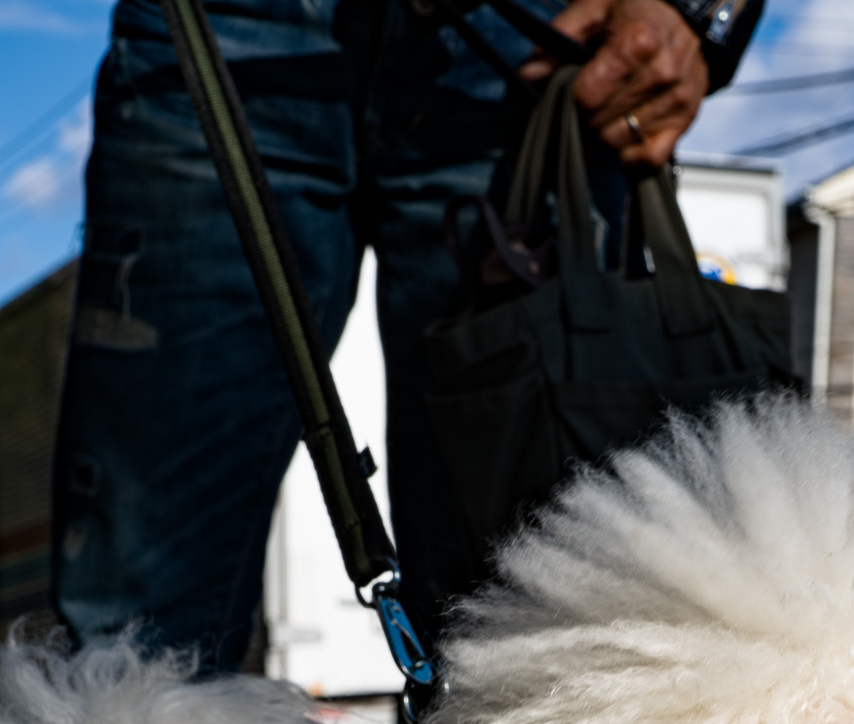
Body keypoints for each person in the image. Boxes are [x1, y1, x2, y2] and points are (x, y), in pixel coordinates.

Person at [50, 0, 765, 672]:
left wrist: (703, 12)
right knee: (137, 644)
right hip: (224, 28)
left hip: (533, 39)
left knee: (534, 637)